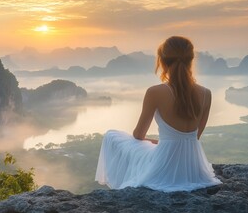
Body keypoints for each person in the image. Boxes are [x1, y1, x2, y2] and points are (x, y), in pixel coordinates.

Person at [95, 36, 222, 192]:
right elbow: (194, 137)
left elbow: (138, 135)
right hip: (194, 168)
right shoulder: (206, 94)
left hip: (163, 166)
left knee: (112, 136)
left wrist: (155, 141)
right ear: (191, 61)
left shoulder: (155, 92)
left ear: (162, 62)